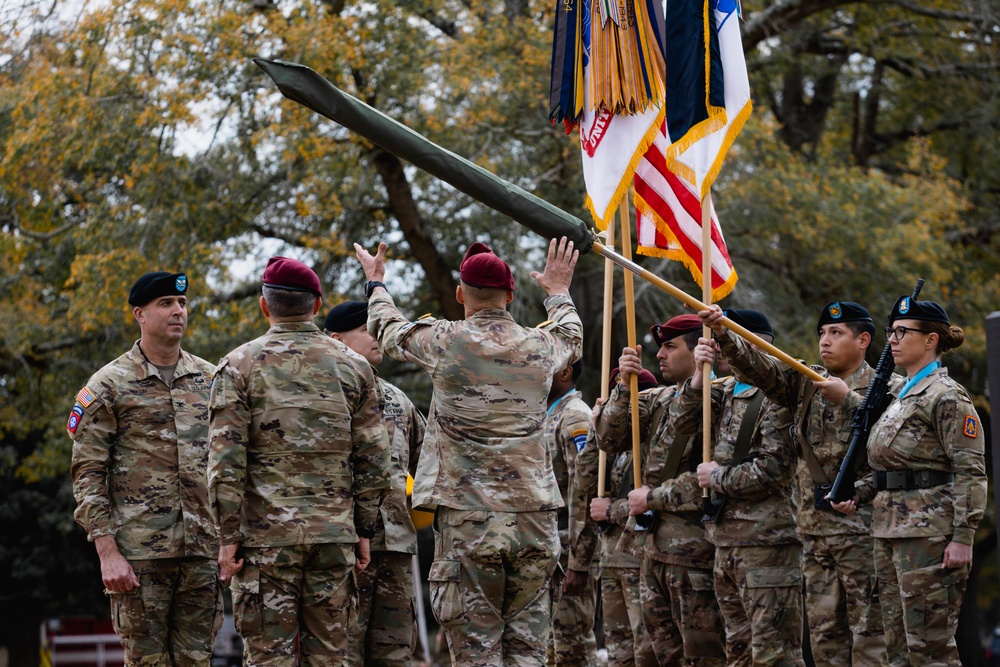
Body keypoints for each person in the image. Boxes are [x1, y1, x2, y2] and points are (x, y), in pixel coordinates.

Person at [354, 237, 583, 667]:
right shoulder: (541, 347)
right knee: (530, 652)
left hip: (470, 520)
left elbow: (386, 329)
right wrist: (557, 291)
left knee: (477, 652)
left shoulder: (446, 342)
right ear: (512, 295)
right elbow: (572, 335)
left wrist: (377, 282)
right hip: (535, 519)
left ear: (460, 294)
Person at [207, 257, 391, 666]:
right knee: (330, 658)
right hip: (333, 537)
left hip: (264, 543)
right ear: (317, 303)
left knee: (269, 659)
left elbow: (225, 462)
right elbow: (375, 460)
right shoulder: (354, 366)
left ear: (263, 306)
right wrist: (363, 529)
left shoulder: (237, 366)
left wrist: (227, 537)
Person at [699, 301, 889, 665]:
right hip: (815, 535)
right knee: (825, 644)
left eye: (837, 333)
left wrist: (849, 400)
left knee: (872, 641)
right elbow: (761, 369)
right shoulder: (806, 382)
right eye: (822, 334)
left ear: (863, 340)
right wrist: (724, 333)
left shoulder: (887, 389)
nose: (825, 342)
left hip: (864, 534)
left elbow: (900, 439)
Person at [69, 271, 222, 665]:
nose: (178, 312)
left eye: (183, 304)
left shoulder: (210, 379)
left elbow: (230, 465)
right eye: (166, 304)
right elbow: (88, 474)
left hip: (202, 551)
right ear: (140, 313)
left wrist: (230, 540)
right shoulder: (109, 385)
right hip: (139, 557)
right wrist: (107, 553)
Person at [830, 296, 987, 666]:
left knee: (930, 649)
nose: (893, 340)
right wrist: (860, 492)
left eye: (902, 332)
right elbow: (895, 465)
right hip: (889, 531)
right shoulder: (901, 396)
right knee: (897, 649)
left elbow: (969, 469)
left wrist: (963, 538)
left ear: (931, 340)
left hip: (928, 536)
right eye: (891, 332)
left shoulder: (946, 396)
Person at [673, 310, 805, 666]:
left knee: (774, 653)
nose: (718, 348)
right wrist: (699, 379)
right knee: (739, 651)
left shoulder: (779, 394)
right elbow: (682, 425)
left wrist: (717, 478)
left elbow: (773, 469)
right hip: (726, 541)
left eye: (724, 340)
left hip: (766, 543)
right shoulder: (727, 390)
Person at [609, 314, 726, 666]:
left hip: (694, 549)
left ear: (697, 351)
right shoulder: (658, 399)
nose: (660, 355)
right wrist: (623, 387)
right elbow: (608, 438)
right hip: (652, 548)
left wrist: (653, 498)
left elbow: (713, 472)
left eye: (670, 347)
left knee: (702, 654)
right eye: (660, 347)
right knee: (657, 656)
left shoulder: (719, 398)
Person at [324, 300, 428, 667]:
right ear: (336, 339)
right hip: (342, 548)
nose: (376, 338)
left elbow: (430, 467)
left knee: (396, 653)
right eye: (366, 330)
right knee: (342, 653)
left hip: (395, 548)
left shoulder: (398, 400)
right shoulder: (322, 399)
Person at [575, 368, 660, 667]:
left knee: (646, 645)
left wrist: (612, 510)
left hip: (640, 553)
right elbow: (583, 479)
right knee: (617, 647)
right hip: (612, 555)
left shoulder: (653, 443)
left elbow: (652, 497)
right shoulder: (616, 446)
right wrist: (595, 429)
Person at [542, 359, 599, 667]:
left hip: (569, 547)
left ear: (565, 373)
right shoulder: (548, 416)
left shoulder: (575, 416)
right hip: (550, 545)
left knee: (572, 646)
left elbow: (584, 489)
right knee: (553, 648)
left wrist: (579, 560)